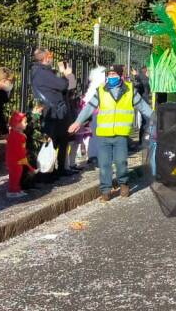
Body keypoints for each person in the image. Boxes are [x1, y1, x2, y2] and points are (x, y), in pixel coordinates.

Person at [69, 66, 153, 201]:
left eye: (114, 74)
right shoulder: (101, 90)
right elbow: (89, 108)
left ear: (120, 76)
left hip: (121, 135)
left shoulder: (130, 91)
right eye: (109, 74)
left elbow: (143, 107)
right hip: (103, 134)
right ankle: (105, 191)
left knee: (121, 162)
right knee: (104, 164)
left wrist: (156, 118)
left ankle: (123, 183)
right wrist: (77, 122)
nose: (111, 76)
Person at [30, 48, 78, 178]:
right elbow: (64, 85)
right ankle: (48, 171)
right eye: (50, 56)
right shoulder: (41, 72)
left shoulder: (42, 71)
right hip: (52, 112)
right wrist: (68, 74)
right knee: (53, 142)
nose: (52, 59)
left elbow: (65, 87)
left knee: (62, 140)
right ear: (45, 58)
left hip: (56, 111)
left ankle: (59, 168)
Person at [5, 111, 35, 200]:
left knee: (15, 175)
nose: (26, 124)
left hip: (14, 159)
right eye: (24, 122)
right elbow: (20, 150)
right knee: (16, 175)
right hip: (16, 160)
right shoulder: (18, 136)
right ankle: (13, 191)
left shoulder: (14, 134)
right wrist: (24, 156)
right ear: (17, 124)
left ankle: (16, 189)